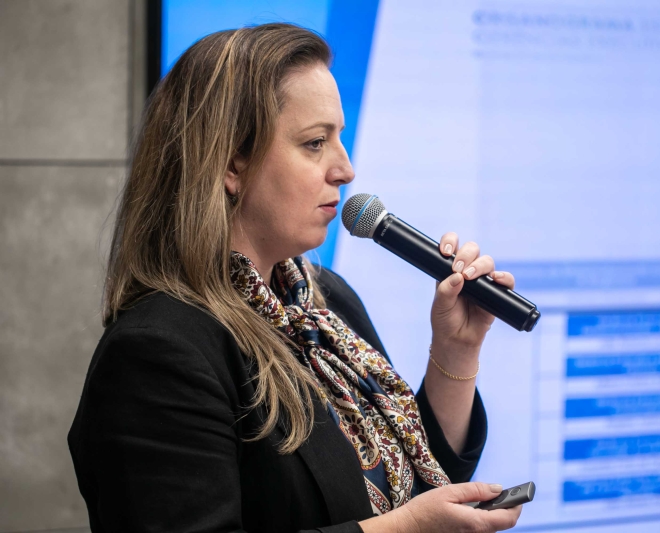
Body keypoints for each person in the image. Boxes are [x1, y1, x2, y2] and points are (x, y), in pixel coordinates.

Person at [68, 23, 522, 533]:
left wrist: (456, 350)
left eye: (339, 139)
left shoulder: (327, 304)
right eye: (314, 143)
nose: (346, 170)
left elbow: (419, 481)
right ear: (231, 162)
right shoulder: (158, 352)